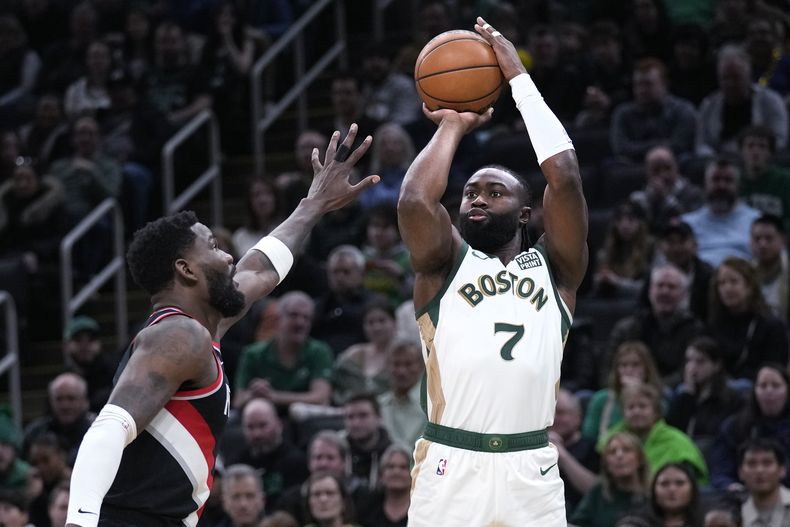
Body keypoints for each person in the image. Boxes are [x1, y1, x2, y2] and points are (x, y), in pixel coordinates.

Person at [65, 125, 378, 527]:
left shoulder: (203, 326)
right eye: (213, 246)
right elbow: (108, 428)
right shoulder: (178, 335)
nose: (229, 256)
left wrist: (313, 205)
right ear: (186, 270)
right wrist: (80, 521)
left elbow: (260, 270)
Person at [398, 17, 588, 526]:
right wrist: (451, 126)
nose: (477, 198)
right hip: (450, 463)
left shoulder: (556, 269)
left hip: (530, 466)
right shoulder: (444, 265)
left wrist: (519, 81)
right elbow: (415, 200)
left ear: (525, 214)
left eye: (494, 192)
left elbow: (565, 178)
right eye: (469, 193)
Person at [710, 363, 790, 492]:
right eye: (763, 385)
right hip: (743, 495)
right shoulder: (735, 426)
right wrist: (730, 485)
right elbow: (720, 471)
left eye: (776, 385)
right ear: (754, 390)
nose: (769, 391)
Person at [570, 432, 650, 527]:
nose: (619, 455)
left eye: (627, 450)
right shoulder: (597, 492)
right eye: (612, 452)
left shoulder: (654, 493)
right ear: (606, 464)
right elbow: (576, 523)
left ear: (640, 459)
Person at [738, 438, 790, 527]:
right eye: (751, 464)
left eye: (767, 463)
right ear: (741, 472)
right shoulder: (736, 514)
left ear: (782, 470)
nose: (759, 470)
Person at [644, 462, 703, 527]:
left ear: (692, 489)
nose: (672, 489)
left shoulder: (706, 521)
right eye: (664, 483)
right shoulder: (640, 522)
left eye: (680, 483)